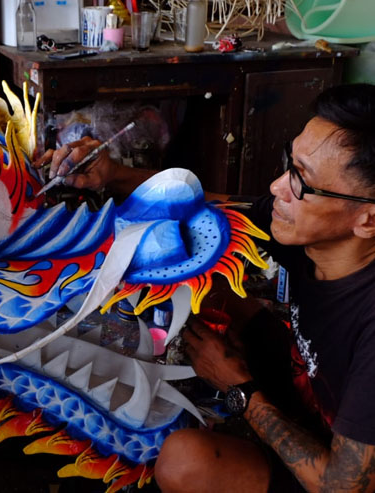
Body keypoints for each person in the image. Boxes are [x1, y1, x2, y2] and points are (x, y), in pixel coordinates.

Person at [34, 84, 375, 492]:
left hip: (336, 477)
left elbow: (343, 485)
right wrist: (113, 174)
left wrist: (240, 391)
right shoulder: (316, 232)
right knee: (212, 285)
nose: (277, 187)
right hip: (311, 395)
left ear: (368, 220)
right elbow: (210, 207)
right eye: (290, 163)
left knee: (183, 461)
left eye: (302, 180)